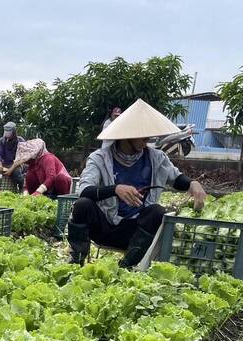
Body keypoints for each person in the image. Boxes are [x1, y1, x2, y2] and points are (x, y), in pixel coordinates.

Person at [68, 98, 206, 268]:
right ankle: (76, 262)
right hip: (105, 227)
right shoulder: (100, 158)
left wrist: (193, 184)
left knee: (156, 211)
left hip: (135, 231)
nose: (146, 139)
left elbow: (176, 178)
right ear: (127, 135)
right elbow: (85, 191)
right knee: (82, 205)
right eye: (142, 135)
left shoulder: (156, 158)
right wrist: (115, 189)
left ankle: (126, 267)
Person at [6, 138, 72, 197]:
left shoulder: (48, 158)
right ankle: (34, 199)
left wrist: (38, 192)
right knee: (29, 176)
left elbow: (51, 177)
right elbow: (28, 179)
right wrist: (25, 194)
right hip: (47, 189)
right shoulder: (33, 163)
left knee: (60, 178)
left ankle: (61, 200)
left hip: (60, 188)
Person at [0, 122, 26, 189]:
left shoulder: (20, 141)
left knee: (17, 175)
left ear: (14, 132)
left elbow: (21, 158)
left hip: (17, 164)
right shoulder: (1, 140)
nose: (7, 132)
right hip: (4, 162)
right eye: (5, 130)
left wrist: (11, 169)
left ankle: (21, 189)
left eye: (9, 131)